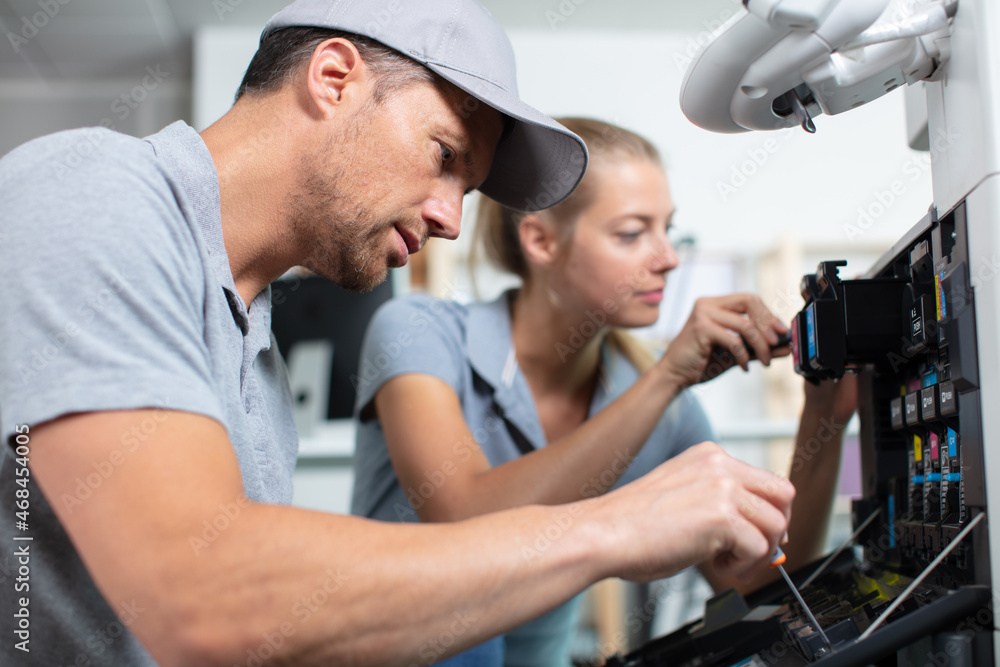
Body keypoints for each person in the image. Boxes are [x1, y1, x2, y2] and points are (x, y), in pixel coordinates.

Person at [0, 1, 796, 665]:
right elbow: (197, 592)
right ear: (335, 79)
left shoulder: (258, 367)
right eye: (443, 155)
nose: (452, 218)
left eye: (469, 186)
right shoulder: (97, 191)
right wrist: (617, 526)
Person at [351, 118, 856, 666]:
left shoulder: (659, 404)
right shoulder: (418, 331)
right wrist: (666, 378)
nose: (667, 257)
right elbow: (466, 519)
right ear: (541, 240)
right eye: (633, 233)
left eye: (668, 229)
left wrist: (825, 411)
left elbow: (761, 584)